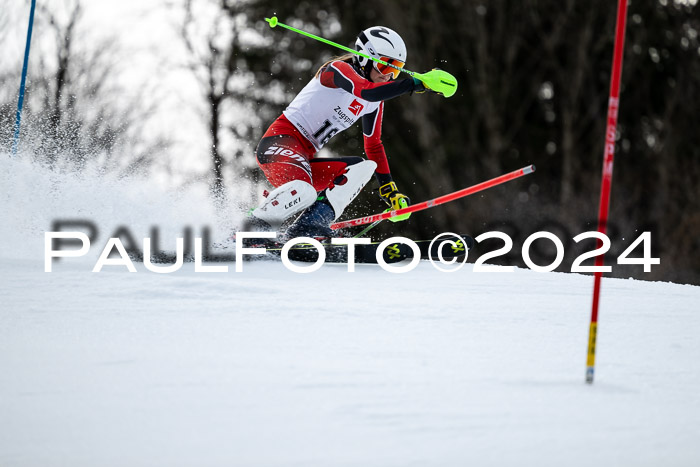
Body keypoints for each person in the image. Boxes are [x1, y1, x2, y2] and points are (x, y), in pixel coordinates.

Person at [249, 25, 437, 239]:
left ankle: (309, 227)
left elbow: (373, 145)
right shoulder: (337, 70)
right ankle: (255, 227)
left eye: (397, 70)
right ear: (366, 58)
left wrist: (389, 190)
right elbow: (366, 92)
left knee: (363, 167)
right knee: (305, 191)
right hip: (279, 144)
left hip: (305, 158)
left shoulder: (374, 100)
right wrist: (415, 84)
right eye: (386, 67)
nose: (390, 76)